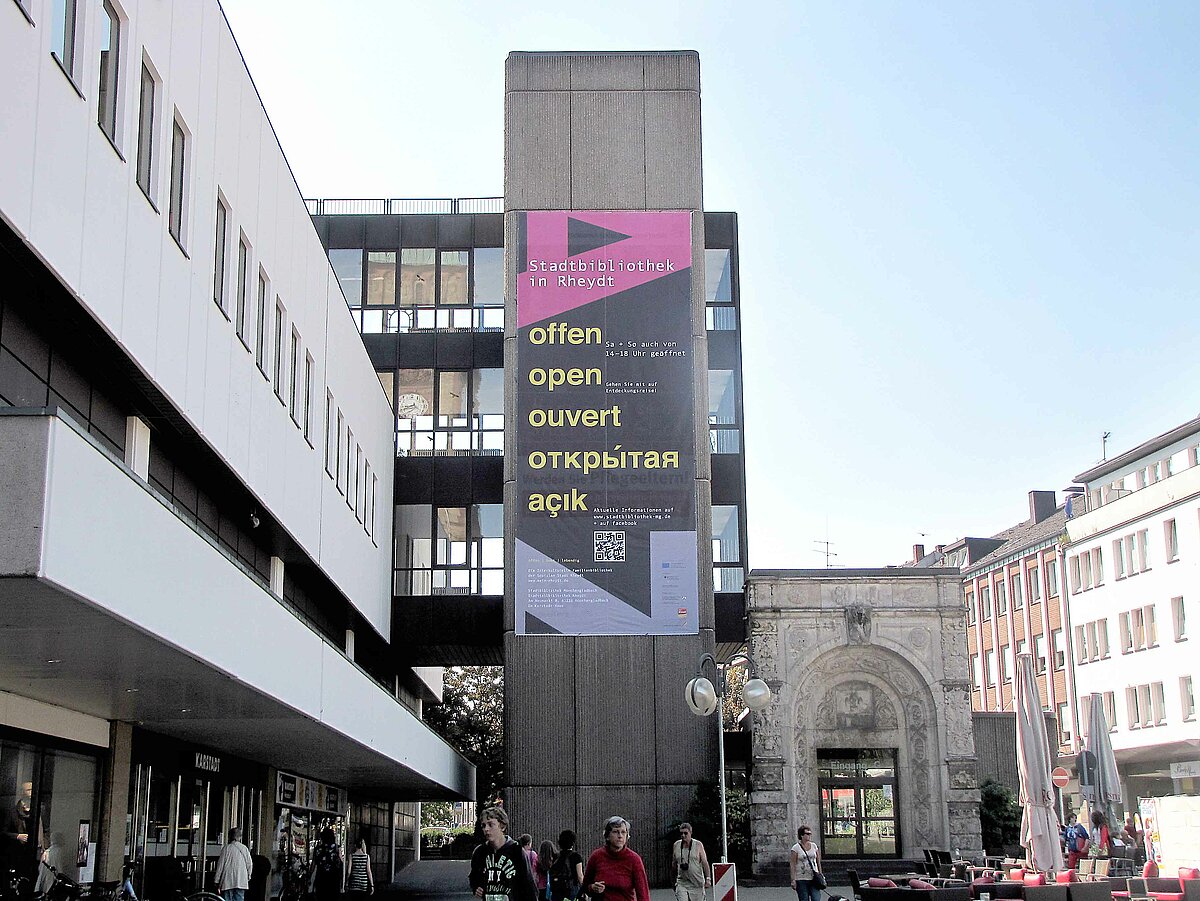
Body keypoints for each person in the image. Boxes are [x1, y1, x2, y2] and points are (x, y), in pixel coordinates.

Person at [469, 806, 537, 901]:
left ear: (502, 826)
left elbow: (529, 886)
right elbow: (474, 876)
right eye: (483, 825)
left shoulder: (516, 851)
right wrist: (476, 887)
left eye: (491, 824)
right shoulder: (480, 852)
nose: (486, 829)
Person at [582, 816, 649, 901]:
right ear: (607, 836)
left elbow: (643, 893)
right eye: (616, 832)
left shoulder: (634, 859)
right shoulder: (596, 856)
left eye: (623, 832)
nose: (620, 836)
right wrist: (592, 887)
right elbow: (585, 886)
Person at [671, 823, 710, 901]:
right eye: (681, 833)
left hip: (697, 883)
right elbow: (674, 864)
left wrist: (708, 878)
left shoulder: (698, 845)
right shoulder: (676, 845)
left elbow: (705, 863)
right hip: (682, 883)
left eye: (685, 833)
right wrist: (673, 882)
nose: (683, 835)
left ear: (690, 833)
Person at [214, 827, 253, 901]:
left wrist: (216, 880)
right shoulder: (244, 848)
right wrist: (248, 876)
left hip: (227, 881)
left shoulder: (226, 849)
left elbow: (220, 866)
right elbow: (249, 864)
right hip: (241, 881)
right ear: (240, 837)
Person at [549, 830, 584, 901]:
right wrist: (584, 889)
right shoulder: (576, 856)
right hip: (572, 889)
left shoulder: (556, 856)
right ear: (573, 842)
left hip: (557, 889)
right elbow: (580, 876)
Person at [309, 828, 344, 901]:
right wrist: (342, 879)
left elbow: (313, 865)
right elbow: (341, 863)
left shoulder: (317, 849)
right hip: (334, 879)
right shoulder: (337, 848)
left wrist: (309, 876)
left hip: (321, 879)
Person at [789, 825, 822, 901]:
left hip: (814, 877)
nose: (809, 835)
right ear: (801, 835)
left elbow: (818, 861)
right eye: (807, 834)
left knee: (816, 898)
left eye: (810, 833)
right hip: (801, 878)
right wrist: (793, 879)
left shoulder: (814, 846)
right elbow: (793, 864)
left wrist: (820, 874)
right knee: (804, 899)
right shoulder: (795, 848)